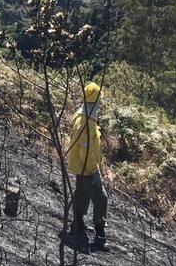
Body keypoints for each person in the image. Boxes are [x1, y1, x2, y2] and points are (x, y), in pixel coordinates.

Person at [68, 82, 110, 251]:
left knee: (82, 195)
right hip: (86, 168)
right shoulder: (87, 123)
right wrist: (94, 171)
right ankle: (100, 236)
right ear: (95, 101)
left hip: (80, 166)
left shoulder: (81, 116)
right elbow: (86, 151)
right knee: (101, 198)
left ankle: (77, 224)